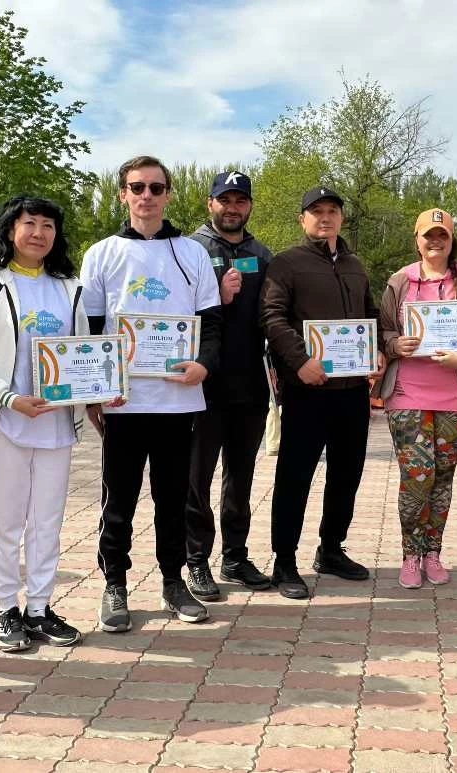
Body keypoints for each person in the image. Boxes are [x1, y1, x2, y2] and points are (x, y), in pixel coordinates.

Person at [0, 195, 103, 652]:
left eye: (48, 225)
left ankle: (39, 608)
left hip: (55, 424)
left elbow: (84, 353)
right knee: (5, 521)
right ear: (10, 229)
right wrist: (9, 398)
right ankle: (6, 609)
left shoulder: (69, 287)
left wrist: (100, 386)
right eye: (29, 223)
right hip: (4, 421)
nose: (39, 233)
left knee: (47, 522)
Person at [80, 156, 221, 633]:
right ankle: (114, 584)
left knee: (173, 499)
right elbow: (91, 328)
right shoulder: (101, 253)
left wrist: (204, 364)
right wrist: (95, 392)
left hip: (178, 401)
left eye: (156, 188)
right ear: (123, 193)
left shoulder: (192, 252)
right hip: (123, 402)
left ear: (168, 194)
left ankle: (173, 582)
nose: (146, 196)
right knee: (118, 500)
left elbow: (211, 323)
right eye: (137, 187)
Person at [260, 186, 381, 600]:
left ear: (341, 218)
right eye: (316, 211)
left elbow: (370, 314)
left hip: (352, 390)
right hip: (307, 389)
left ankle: (331, 549)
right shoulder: (286, 263)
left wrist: (377, 351)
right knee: (295, 476)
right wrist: (300, 361)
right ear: (303, 219)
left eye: (332, 211)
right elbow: (272, 317)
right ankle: (284, 561)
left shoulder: (355, 265)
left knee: (347, 473)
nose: (325, 218)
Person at [377, 208, 457, 588]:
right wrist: (395, 344)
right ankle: (410, 554)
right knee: (417, 476)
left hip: (456, 396)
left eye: (442, 235)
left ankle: (433, 552)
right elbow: (383, 331)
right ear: (417, 239)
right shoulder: (399, 281)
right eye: (429, 235)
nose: (435, 241)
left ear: (451, 239)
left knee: (442, 478)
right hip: (407, 393)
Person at [182, 170, 275, 600]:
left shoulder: (262, 253)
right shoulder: (190, 250)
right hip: (201, 383)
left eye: (240, 200)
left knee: (241, 476)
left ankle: (235, 557)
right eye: (225, 200)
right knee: (196, 477)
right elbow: (171, 316)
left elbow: (275, 314)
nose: (233, 208)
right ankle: (196, 559)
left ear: (249, 206)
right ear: (210, 203)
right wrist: (214, 296)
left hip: (250, 382)